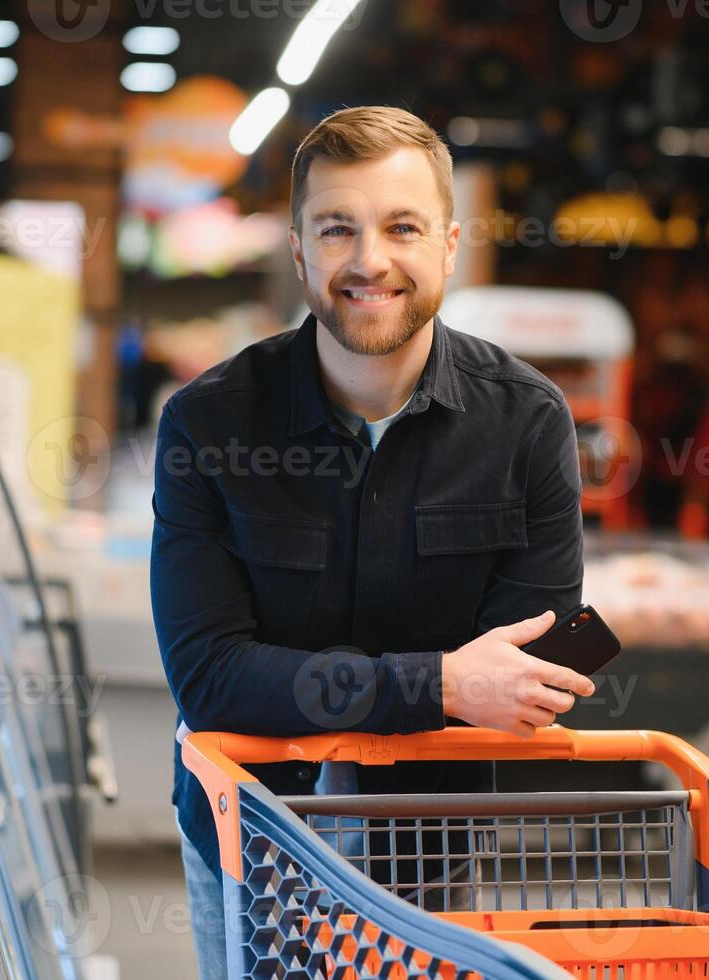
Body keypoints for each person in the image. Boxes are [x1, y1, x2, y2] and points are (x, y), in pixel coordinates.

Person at [150, 105, 594, 979]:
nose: (369, 261)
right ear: (298, 249)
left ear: (450, 243)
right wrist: (439, 683)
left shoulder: (526, 425)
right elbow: (208, 678)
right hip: (250, 842)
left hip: (427, 860)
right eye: (337, 228)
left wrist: (315, 686)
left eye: (401, 227)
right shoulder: (209, 423)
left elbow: (527, 679)